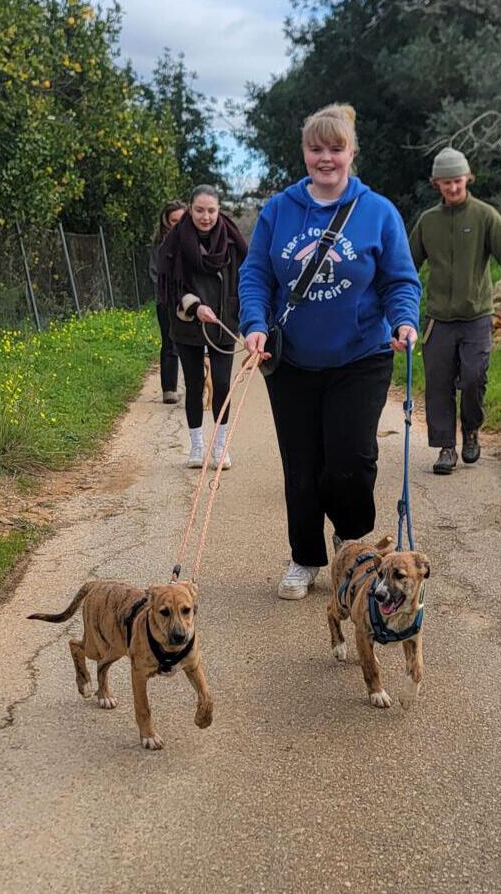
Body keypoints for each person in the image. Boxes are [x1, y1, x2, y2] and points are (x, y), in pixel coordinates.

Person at [239, 104, 421, 600]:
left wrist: (404, 320)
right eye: (315, 148)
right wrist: (254, 324)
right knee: (301, 465)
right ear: (304, 152)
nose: (325, 158)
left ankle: (351, 538)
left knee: (350, 459)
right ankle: (304, 557)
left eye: (335, 149)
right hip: (292, 362)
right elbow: (255, 275)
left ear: (351, 152)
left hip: (361, 356)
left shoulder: (377, 211)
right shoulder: (279, 210)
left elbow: (400, 280)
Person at [409, 147, 501, 476]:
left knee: (473, 377)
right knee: (438, 383)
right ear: (436, 184)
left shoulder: (484, 216)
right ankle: (446, 447)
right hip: (439, 319)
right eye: (446, 182)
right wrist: (396, 307)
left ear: (468, 178)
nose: (453, 187)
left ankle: (470, 430)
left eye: (458, 180)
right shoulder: (428, 222)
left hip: (476, 316)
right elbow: (407, 267)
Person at [158, 185, 248, 469]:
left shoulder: (232, 241)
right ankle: (196, 447)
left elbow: (246, 278)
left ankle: (220, 447)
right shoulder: (174, 242)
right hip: (188, 323)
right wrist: (194, 306)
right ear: (190, 209)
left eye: (211, 210)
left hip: (223, 320)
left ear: (219, 210)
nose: (205, 217)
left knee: (221, 384)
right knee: (195, 383)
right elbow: (169, 287)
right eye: (199, 210)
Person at [150, 200, 188, 404]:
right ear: (166, 221)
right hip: (166, 300)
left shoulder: (194, 240)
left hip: (190, 301)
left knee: (192, 344)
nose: (177, 224)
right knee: (170, 342)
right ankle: (169, 389)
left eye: (181, 219)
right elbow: (155, 273)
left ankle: (195, 389)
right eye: (174, 220)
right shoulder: (160, 245)